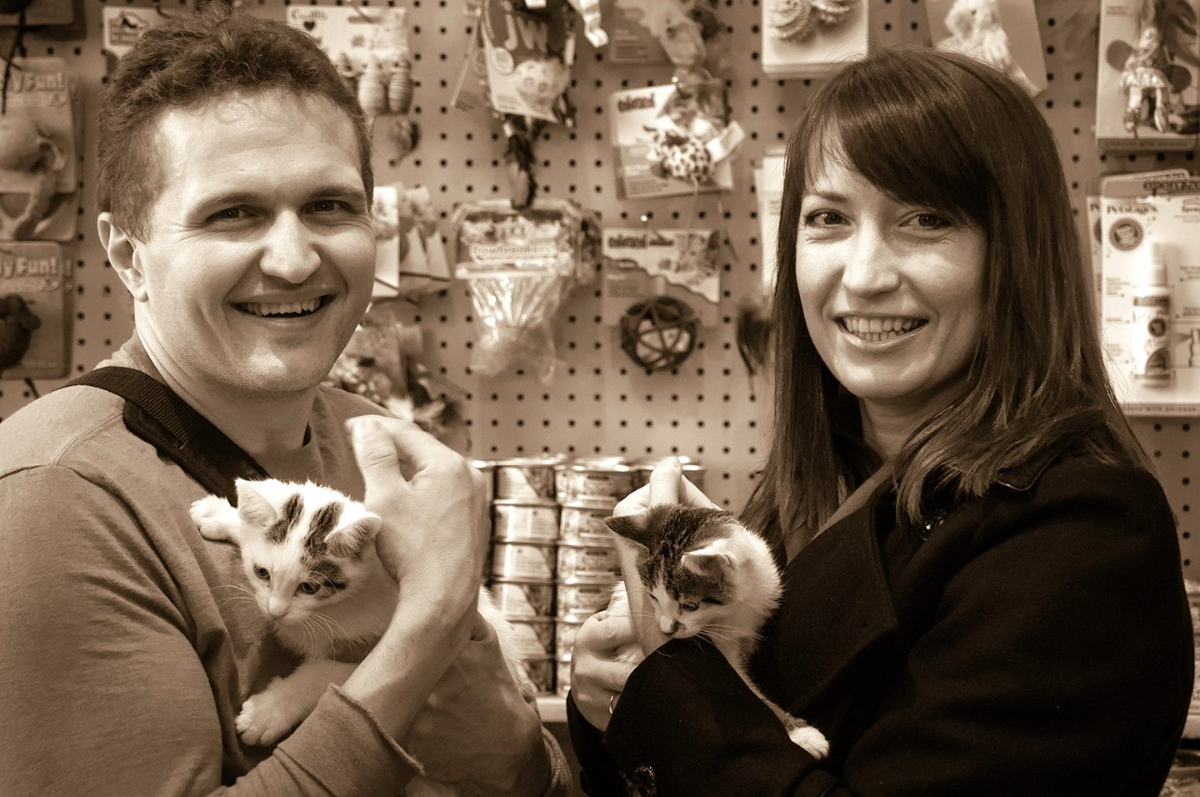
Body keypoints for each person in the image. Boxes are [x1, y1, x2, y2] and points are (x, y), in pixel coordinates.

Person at [567, 47, 1195, 796]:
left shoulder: (1084, 528)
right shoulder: (807, 494)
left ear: (1016, 255)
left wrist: (675, 691)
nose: (862, 275)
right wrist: (615, 696)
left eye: (926, 220)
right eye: (829, 218)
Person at [0, 7, 568, 795]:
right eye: (234, 214)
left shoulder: (377, 448)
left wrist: (518, 750)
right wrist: (430, 627)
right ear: (130, 256)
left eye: (331, 206)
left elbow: (512, 768)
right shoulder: (53, 498)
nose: (297, 259)